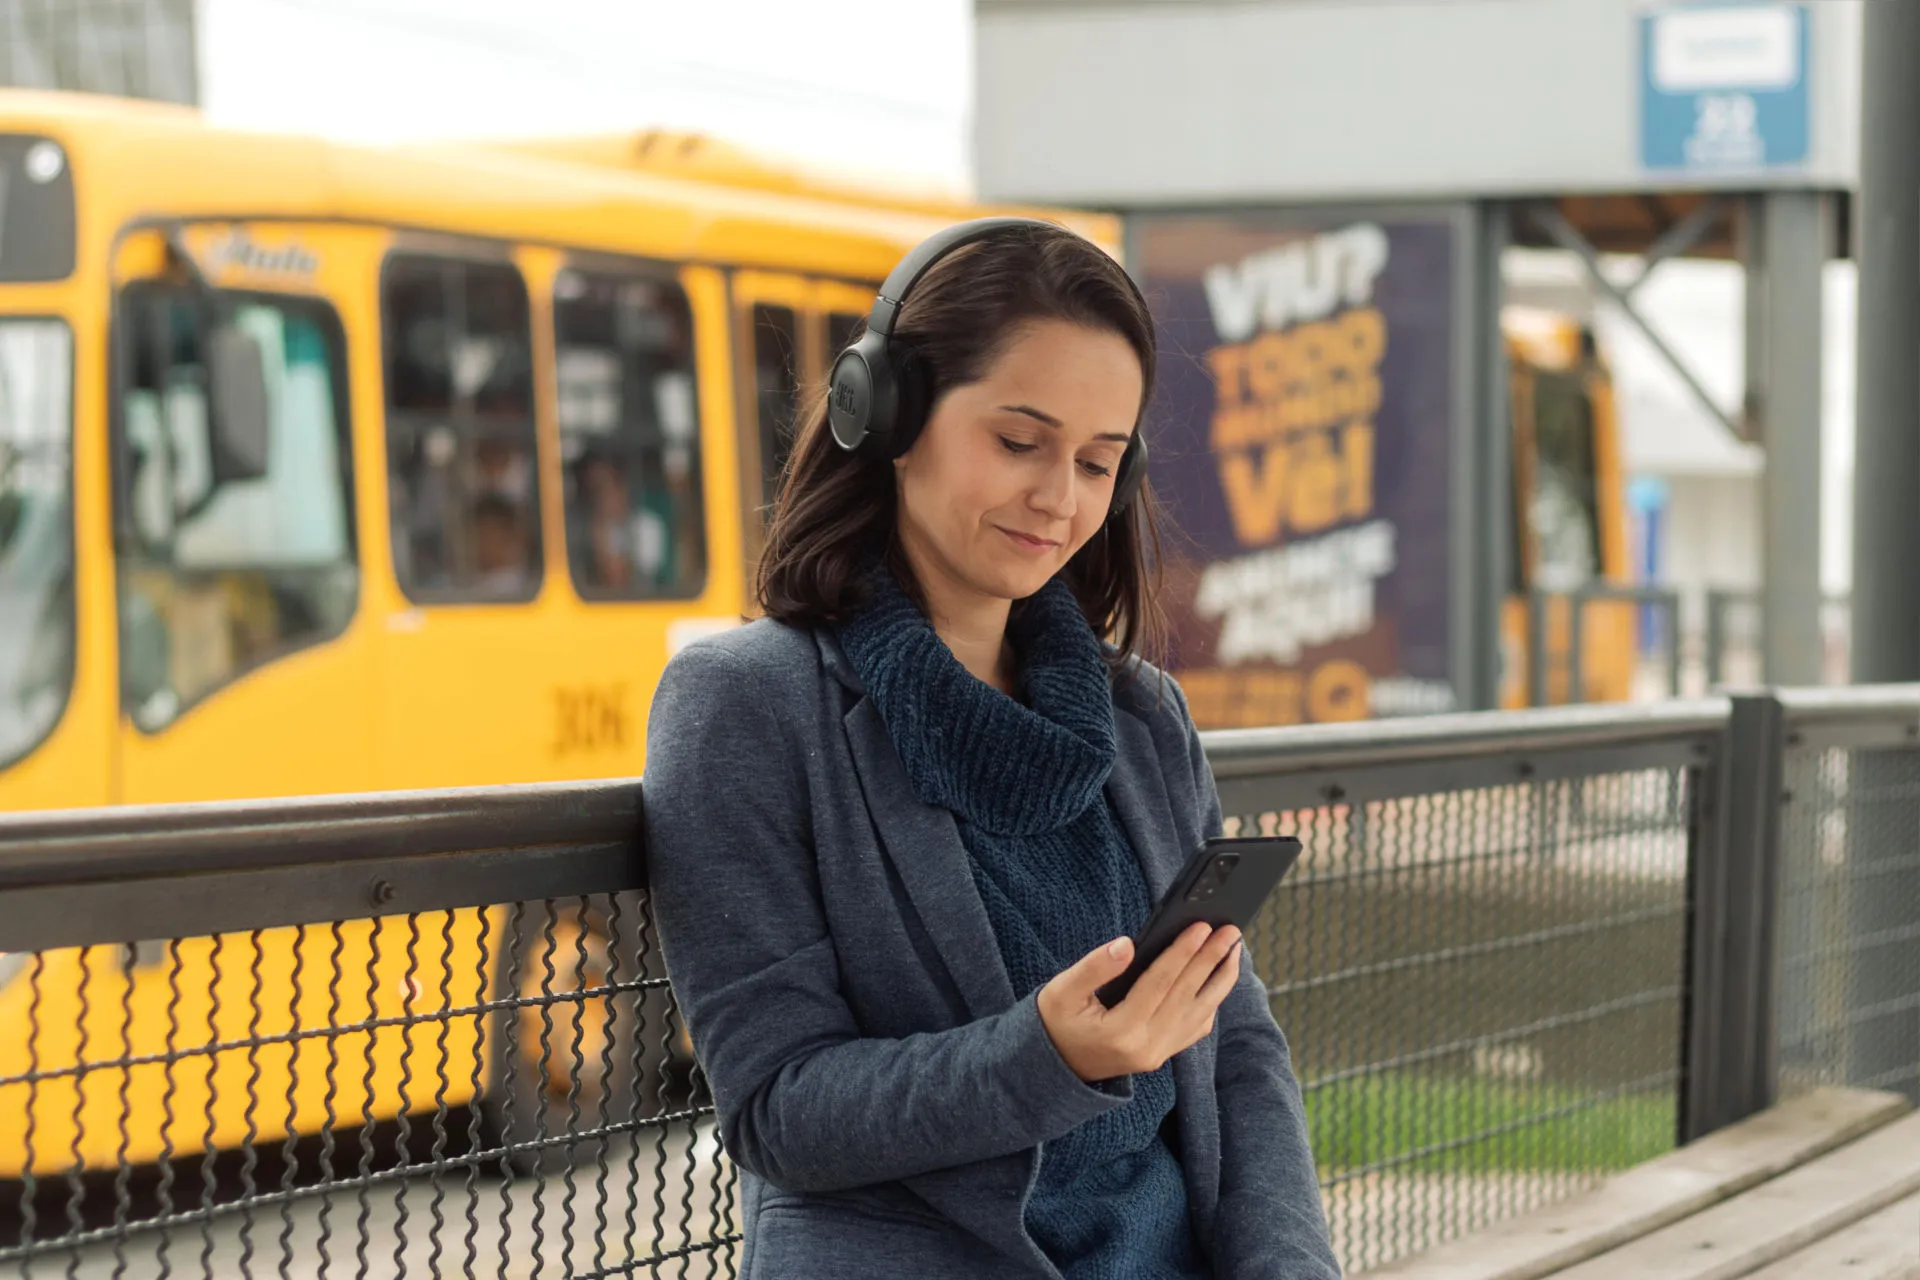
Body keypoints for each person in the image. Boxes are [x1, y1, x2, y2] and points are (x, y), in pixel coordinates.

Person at [641, 219, 1339, 1279]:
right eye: (1020, 442)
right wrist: (1046, 1059)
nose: (1060, 497)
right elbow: (779, 1109)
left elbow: (1236, 1049)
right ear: (888, 416)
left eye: (1099, 462)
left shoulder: (1144, 720)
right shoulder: (743, 706)